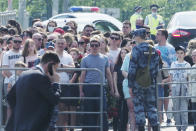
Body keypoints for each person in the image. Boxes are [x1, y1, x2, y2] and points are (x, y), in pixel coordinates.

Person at [5, 51, 61, 131]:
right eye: (55, 68)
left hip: (20, 123)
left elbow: (10, 97)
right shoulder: (41, 77)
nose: (55, 72)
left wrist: (20, 111)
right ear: (50, 64)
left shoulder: (25, 73)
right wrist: (56, 83)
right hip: (34, 125)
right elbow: (54, 99)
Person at [79, 36, 114, 131]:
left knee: (103, 110)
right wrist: (81, 90)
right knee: (89, 111)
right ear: (89, 46)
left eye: (96, 45)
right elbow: (82, 76)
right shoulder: (85, 59)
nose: (94, 47)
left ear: (100, 46)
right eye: (92, 45)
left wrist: (112, 89)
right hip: (88, 87)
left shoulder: (105, 58)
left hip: (100, 87)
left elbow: (108, 74)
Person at [128, 28, 160, 131]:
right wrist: (151, 79)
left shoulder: (136, 49)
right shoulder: (153, 49)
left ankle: (141, 128)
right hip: (150, 82)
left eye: (135, 35)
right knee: (151, 106)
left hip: (138, 82)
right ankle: (155, 127)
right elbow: (156, 68)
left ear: (138, 36)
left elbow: (132, 69)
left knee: (138, 106)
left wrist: (130, 85)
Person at [155, 29, 176, 125]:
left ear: (163, 36)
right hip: (157, 74)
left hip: (167, 74)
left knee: (166, 96)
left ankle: (168, 117)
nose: (156, 36)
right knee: (158, 97)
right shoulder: (154, 47)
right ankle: (160, 118)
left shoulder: (170, 48)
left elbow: (173, 63)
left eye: (158, 34)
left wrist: (169, 78)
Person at [169, 46, 191, 131]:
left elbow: (188, 79)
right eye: (178, 53)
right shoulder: (173, 64)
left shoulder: (187, 64)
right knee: (176, 108)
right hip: (175, 87)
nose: (179, 55)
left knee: (184, 108)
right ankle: (178, 127)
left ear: (184, 54)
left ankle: (184, 127)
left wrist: (188, 90)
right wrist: (170, 89)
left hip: (184, 87)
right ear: (175, 54)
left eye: (181, 53)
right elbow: (171, 77)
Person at [113, 47, 129, 131]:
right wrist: (115, 90)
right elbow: (114, 78)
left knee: (126, 109)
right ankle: (116, 127)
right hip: (119, 87)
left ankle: (124, 127)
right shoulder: (117, 65)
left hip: (127, 87)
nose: (123, 54)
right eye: (121, 53)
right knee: (118, 109)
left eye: (125, 53)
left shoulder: (130, 63)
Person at [190, 49, 196, 131]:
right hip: (193, 95)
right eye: (193, 55)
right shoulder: (192, 67)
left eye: (195, 55)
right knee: (194, 116)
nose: (194, 57)